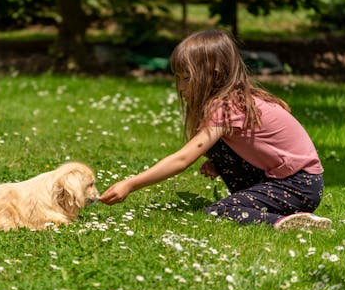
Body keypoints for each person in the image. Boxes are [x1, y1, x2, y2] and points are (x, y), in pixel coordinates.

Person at [99, 29, 331, 231]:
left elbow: (182, 159)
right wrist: (222, 162)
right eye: (178, 79)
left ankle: (283, 221)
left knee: (219, 211)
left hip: (298, 185)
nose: (180, 87)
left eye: (186, 78)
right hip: (296, 182)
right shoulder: (234, 100)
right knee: (215, 146)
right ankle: (276, 210)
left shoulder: (226, 106)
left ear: (215, 75)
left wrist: (130, 183)